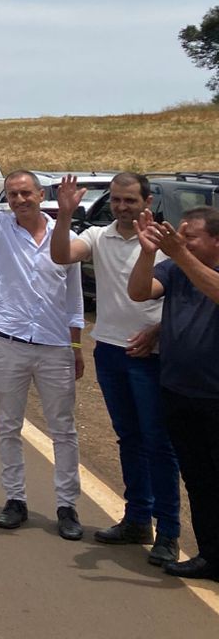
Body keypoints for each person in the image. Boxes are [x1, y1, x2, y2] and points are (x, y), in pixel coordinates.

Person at [0, 101, 85, 539]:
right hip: (9, 343)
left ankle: (67, 506)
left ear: (41, 195)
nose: (20, 199)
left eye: (27, 192)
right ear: (6, 199)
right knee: (9, 425)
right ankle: (15, 500)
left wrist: (77, 345)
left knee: (62, 429)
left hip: (53, 348)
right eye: (12, 194)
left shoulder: (66, 235)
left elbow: (73, 295)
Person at [51, 173, 180, 563]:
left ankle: (168, 532)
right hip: (109, 350)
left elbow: (187, 295)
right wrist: (64, 215)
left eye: (130, 200)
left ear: (148, 200)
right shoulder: (97, 237)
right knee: (129, 438)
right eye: (118, 201)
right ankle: (137, 519)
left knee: (159, 443)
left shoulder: (166, 242)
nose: (123, 208)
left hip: (151, 355)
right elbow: (61, 256)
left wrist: (158, 331)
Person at [129, 207, 219, 580]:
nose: (180, 241)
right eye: (178, 235)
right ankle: (211, 555)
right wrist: (149, 252)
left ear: (216, 240)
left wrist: (177, 252)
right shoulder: (176, 269)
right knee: (198, 480)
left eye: (190, 236)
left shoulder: (188, 264)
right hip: (179, 392)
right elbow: (138, 292)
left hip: (216, 397)